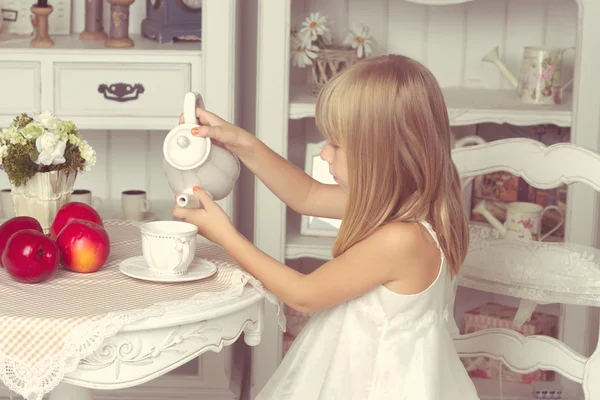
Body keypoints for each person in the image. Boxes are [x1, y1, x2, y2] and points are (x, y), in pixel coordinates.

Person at [173, 54, 480, 399]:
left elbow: (304, 295)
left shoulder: (402, 238)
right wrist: (239, 142)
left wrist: (225, 235)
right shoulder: (406, 201)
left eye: (336, 144)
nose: (323, 154)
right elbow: (307, 194)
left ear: (378, 152)